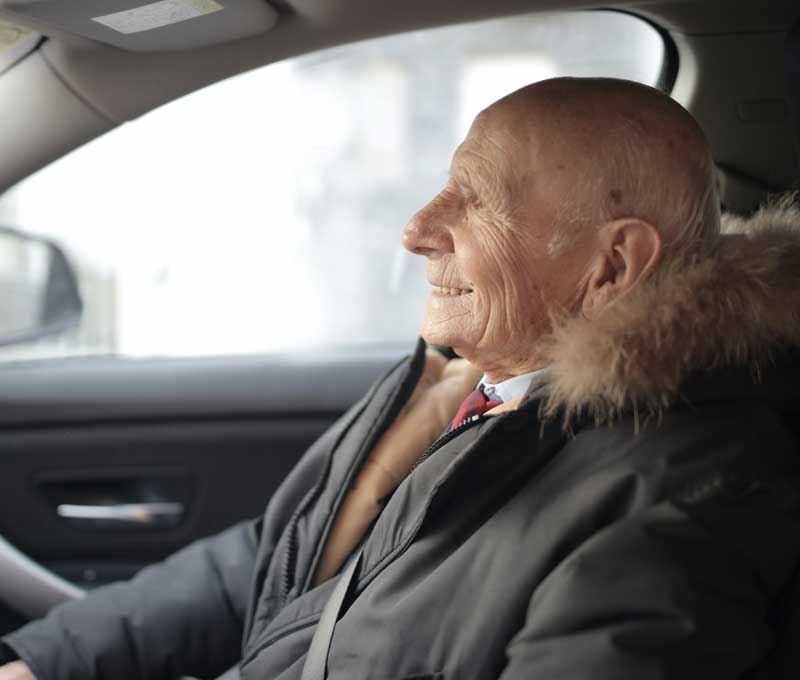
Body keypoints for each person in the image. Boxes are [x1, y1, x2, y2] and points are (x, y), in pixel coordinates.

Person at [3, 76, 800, 680]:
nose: (416, 228)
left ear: (613, 266)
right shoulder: (457, 383)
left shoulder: (690, 499)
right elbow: (277, 560)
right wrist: (42, 663)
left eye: (478, 201)